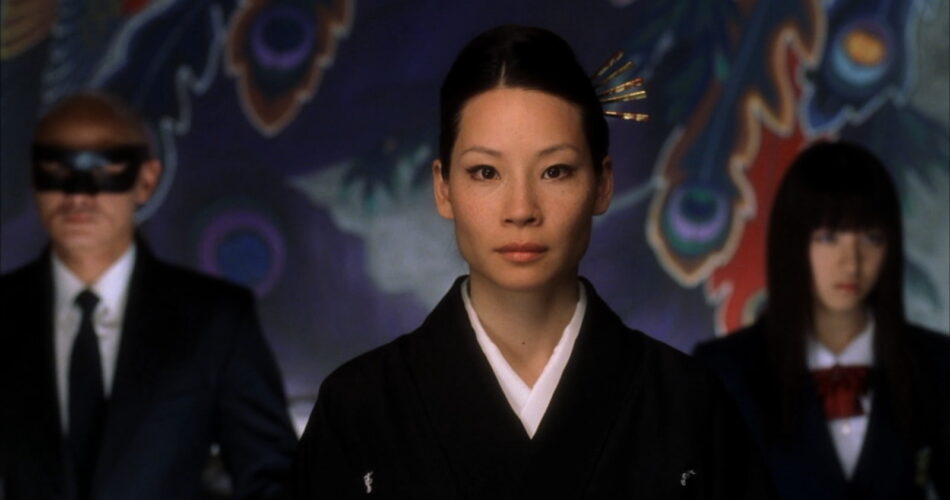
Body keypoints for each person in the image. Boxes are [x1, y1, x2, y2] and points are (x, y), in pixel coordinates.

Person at [289, 25, 775, 499]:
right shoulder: (358, 407)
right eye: (486, 172)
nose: (521, 209)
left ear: (602, 183)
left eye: (555, 171)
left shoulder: (689, 403)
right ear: (443, 188)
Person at [0, 92, 298, 499]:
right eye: (55, 168)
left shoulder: (215, 321)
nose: (78, 195)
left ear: (146, 179)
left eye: (105, 168)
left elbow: (273, 479)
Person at [694, 141, 949, 500]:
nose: (852, 262)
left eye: (871, 238)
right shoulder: (727, 371)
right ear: (793, 243)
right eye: (829, 237)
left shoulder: (936, 365)